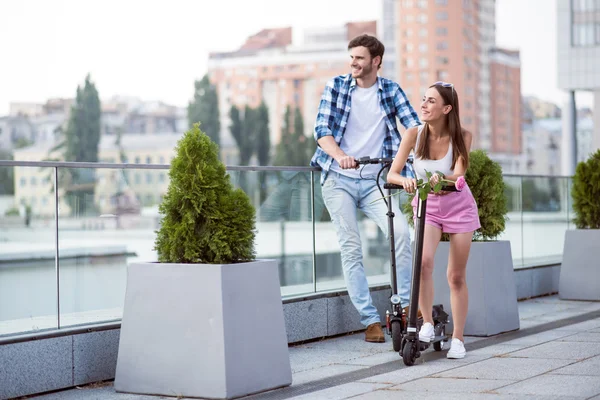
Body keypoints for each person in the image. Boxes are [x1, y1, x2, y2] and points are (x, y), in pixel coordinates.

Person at [310, 34, 421, 343]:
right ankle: (370, 320)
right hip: (339, 179)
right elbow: (321, 130)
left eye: (359, 58)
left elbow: (413, 127)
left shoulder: (391, 90)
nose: (353, 63)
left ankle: (402, 306)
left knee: (400, 234)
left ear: (376, 61)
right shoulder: (336, 87)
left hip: (376, 180)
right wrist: (340, 156)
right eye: (351, 58)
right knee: (351, 247)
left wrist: (401, 163)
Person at [387, 82, 481, 359]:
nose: (424, 105)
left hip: (459, 208)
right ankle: (426, 322)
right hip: (427, 205)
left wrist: (446, 179)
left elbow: (460, 177)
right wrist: (405, 179)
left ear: (446, 108)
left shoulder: (462, 135)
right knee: (423, 264)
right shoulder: (413, 134)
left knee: (455, 276)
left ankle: (459, 339)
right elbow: (392, 174)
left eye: (430, 101)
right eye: (423, 99)